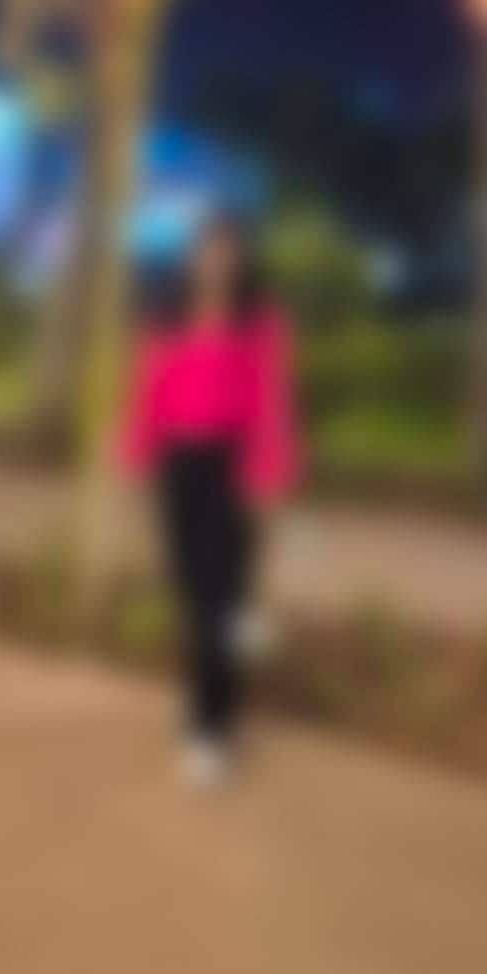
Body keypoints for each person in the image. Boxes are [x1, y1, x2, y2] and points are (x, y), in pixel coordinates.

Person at [118, 211, 300, 790]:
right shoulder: (165, 315)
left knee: (215, 608)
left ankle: (207, 732)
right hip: (179, 466)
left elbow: (274, 400)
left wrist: (268, 474)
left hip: (233, 466)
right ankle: (228, 682)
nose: (217, 260)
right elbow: (146, 389)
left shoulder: (261, 319)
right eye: (208, 249)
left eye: (228, 250)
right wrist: (136, 458)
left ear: (241, 257)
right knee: (196, 595)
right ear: (194, 256)